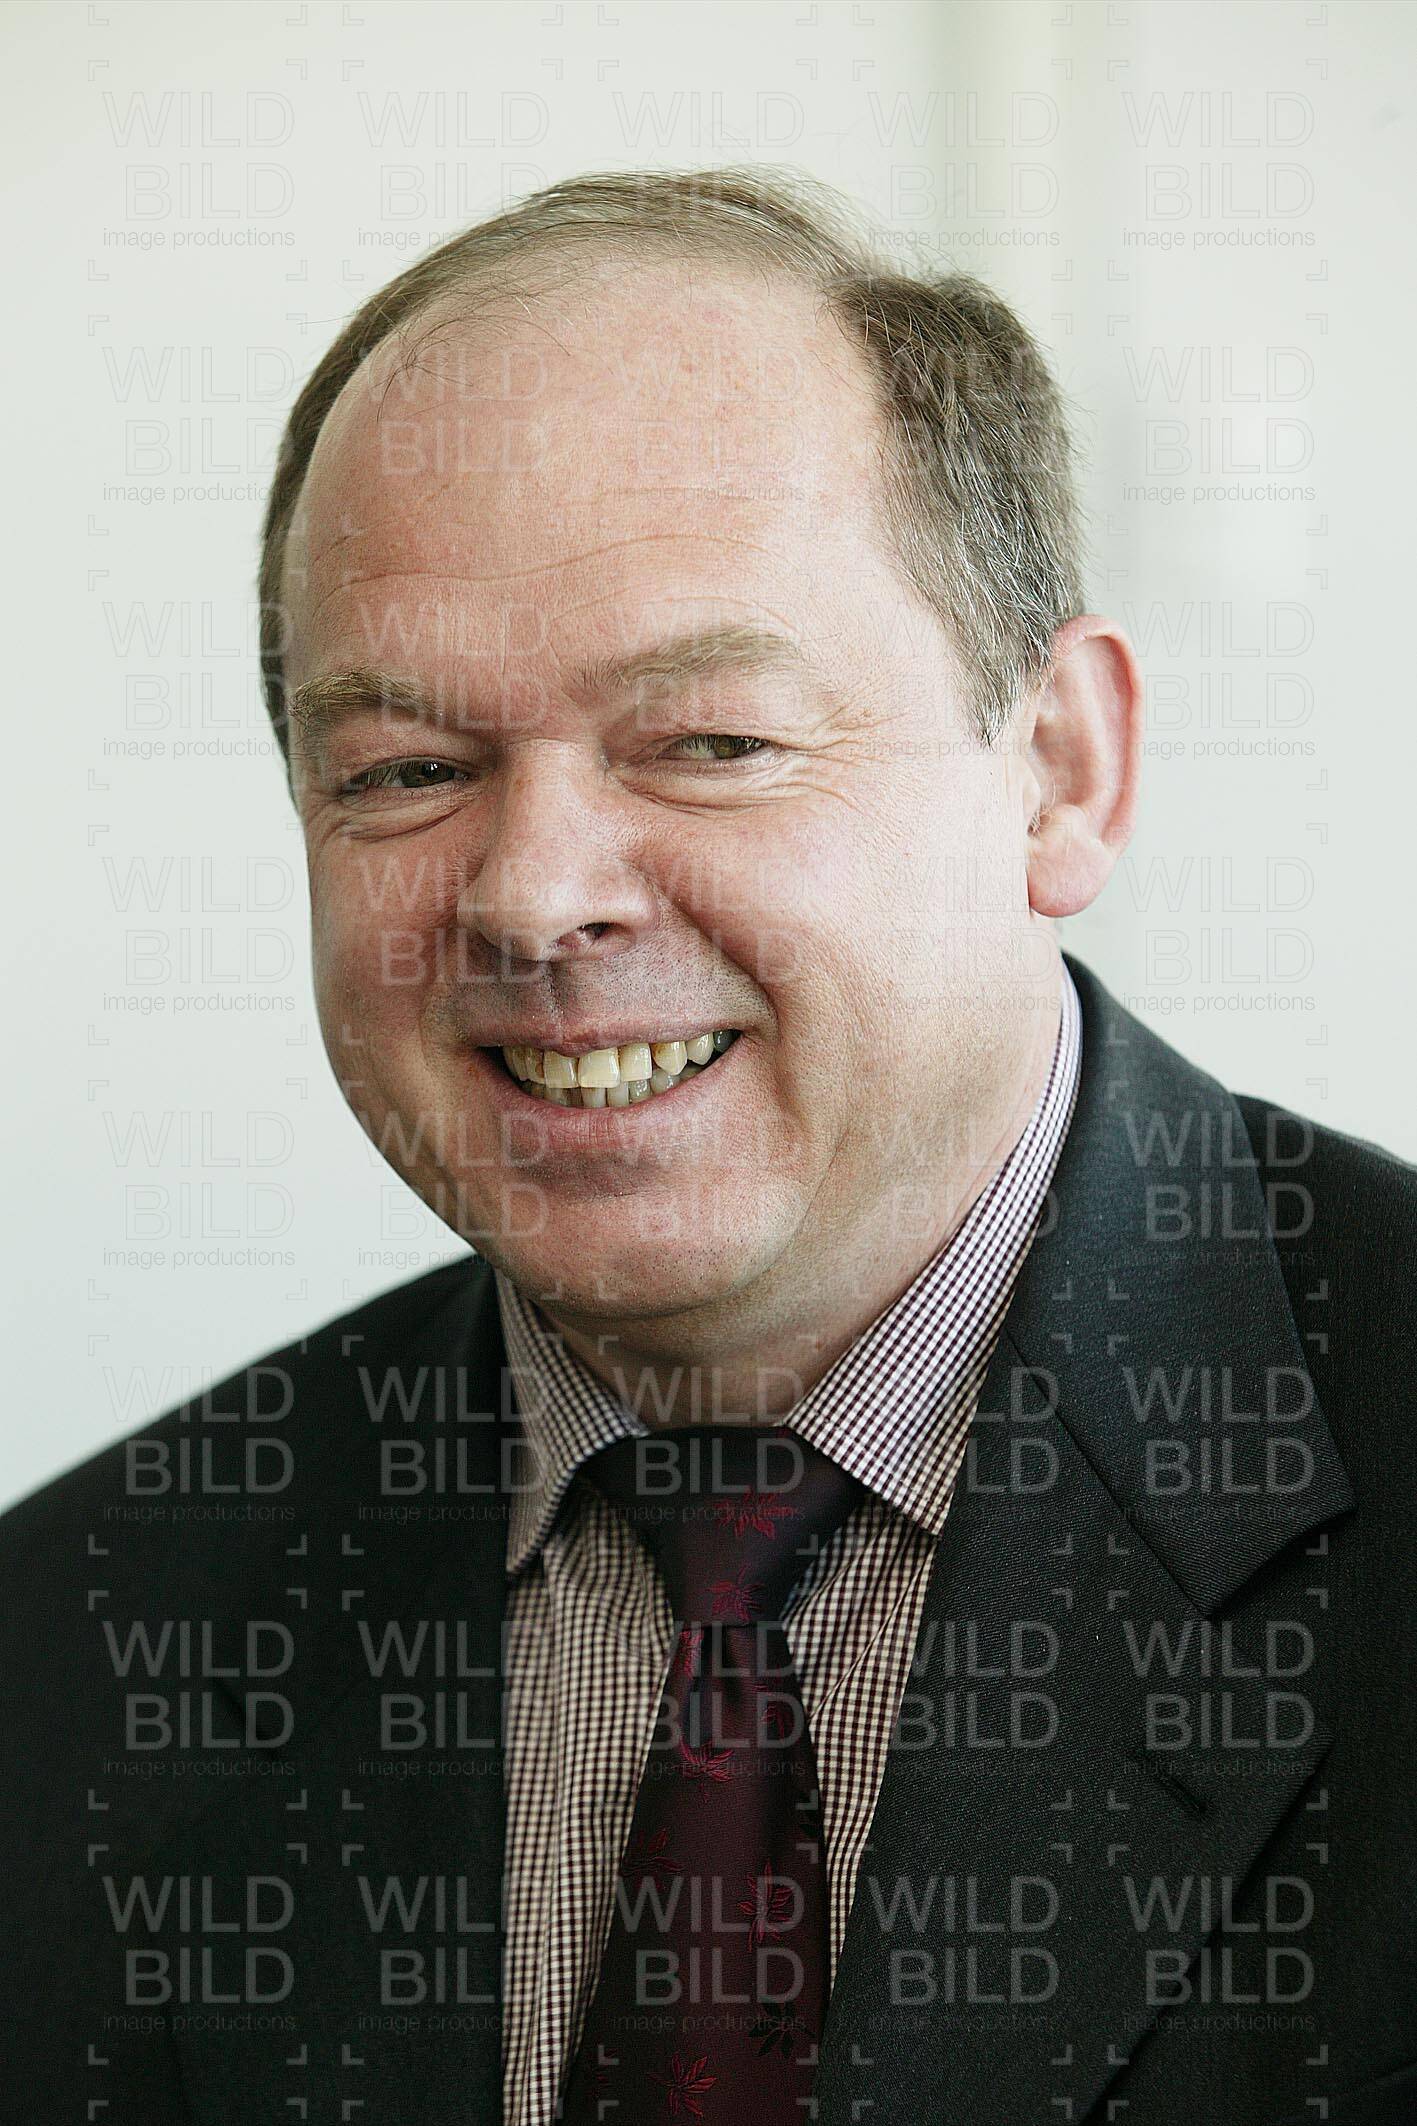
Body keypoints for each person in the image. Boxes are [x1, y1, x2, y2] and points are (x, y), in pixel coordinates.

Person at [4, 165, 1414, 2126]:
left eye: (709, 741)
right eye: (407, 768)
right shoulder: (67, 1654)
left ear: (1059, 770)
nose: (534, 893)